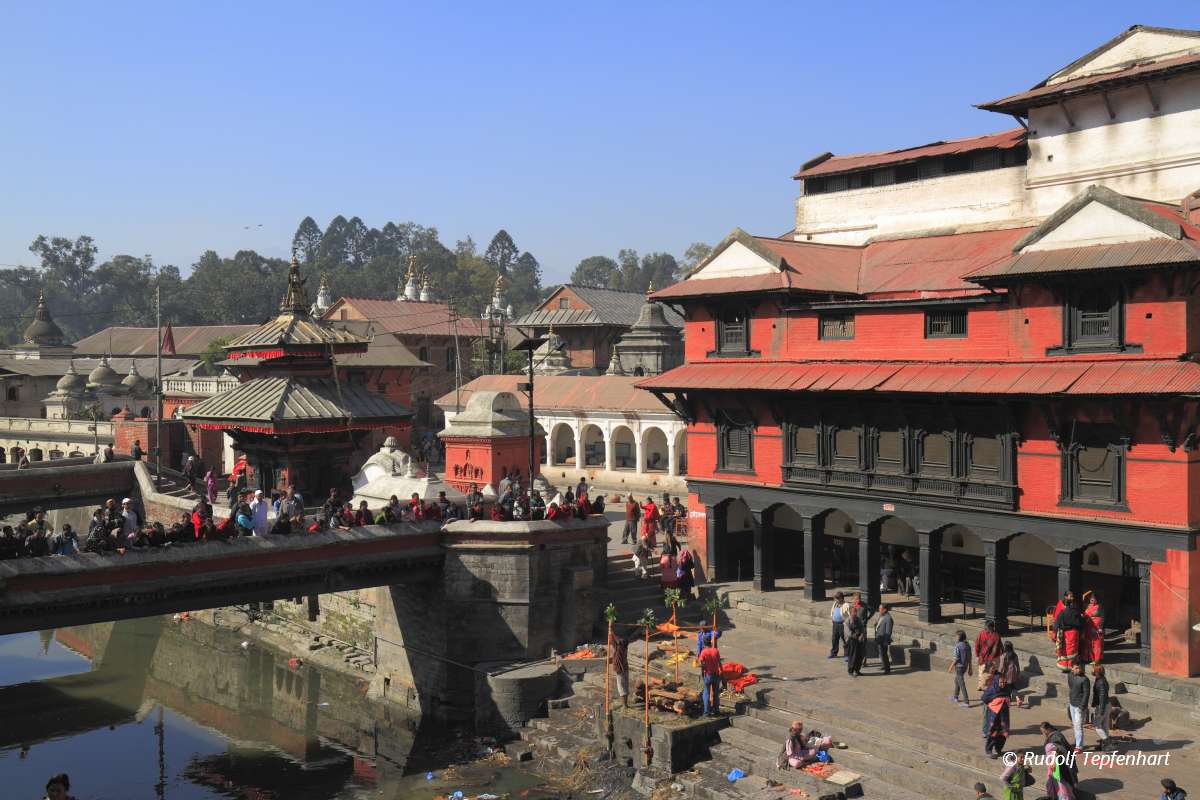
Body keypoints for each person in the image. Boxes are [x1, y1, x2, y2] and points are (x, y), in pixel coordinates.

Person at [1039, 721, 1077, 798]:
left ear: (1048, 729)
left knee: (1063, 783)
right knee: (1058, 782)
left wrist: (1053, 760)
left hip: (1061, 764)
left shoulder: (1056, 736)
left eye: (1044, 731)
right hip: (1056, 764)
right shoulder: (1053, 735)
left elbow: (1059, 749)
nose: (1044, 733)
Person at [982, 671, 1012, 758]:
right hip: (994, 715)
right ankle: (989, 750)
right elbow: (984, 698)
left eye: (1004, 682)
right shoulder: (992, 689)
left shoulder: (1007, 688)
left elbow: (1009, 696)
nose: (1003, 684)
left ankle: (999, 749)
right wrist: (995, 703)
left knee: (1003, 733)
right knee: (993, 732)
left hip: (1004, 716)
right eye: (1001, 682)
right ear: (996, 681)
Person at [1053, 591, 1082, 672]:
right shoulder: (1075, 611)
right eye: (1071, 596)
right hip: (1074, 633)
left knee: (1065, 650)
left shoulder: (1062, 613)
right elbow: (1079, 622)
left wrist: (1054, 633)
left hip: (1065, 634)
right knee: (1072, 650)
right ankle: (1072, 666)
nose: (1072, 598)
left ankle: (1065, 667)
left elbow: (1057, 622)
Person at [1066, 662, 1090, 752]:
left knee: (1078, 726)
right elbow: (1071, 687)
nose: (1078, 670)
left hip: (1079, 707)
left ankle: (1079, 747)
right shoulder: (1070, 676)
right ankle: (1077, 742)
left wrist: (1082, 706)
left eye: (1079, 668)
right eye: (1076, 668)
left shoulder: (1084, 679)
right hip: (1072, 704)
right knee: (1075, 725)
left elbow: (1086, 694)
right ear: (1072, 668)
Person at [1090, 663, 1112, 752]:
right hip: (1107, 704)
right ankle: (1104, 746)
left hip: (1102, 706)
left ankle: (1107, 742)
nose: (1091, 670)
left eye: (1093, 669)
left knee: (1097, 725)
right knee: (1105, 726)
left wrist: (1101, 711)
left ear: (1097, 672)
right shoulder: (1100, 679)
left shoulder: (1101, 682)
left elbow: (1102, 697)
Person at [698, 636, 722, 717]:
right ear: (710, 642)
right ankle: (717, 710)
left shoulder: (704, 652)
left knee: (706, 693)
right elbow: (719, 663)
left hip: (708, 675)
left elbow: (702, 664)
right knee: (716, 693)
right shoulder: (716, 650)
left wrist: (702, 673)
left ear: (704, 643)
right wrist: (721, 672)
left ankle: (706, 712)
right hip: (716, 675)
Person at [949, 629, 972, 707]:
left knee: (961, 683)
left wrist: (950, 667)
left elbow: (956, 658)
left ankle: (966, 702)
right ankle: (955, 696)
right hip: (965, 667)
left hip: (959, 667)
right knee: (957, 680)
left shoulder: (957, 646)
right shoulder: (967, 645)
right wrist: (970, 668)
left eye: (956, 636)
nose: (955, 637)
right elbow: (970, 658)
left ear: (959, 637)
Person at [1082, 592, 1104, 665]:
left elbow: (1103, 618)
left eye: (1094, 599)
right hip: (1088, 628)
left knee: (1097, 644)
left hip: (1096, 629)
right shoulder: (1087, 606)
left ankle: (1096, 660)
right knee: (1088, 643)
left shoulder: (1099, 607)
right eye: (1091, 599)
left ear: (1097, 600)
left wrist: (1100, 627)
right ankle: (1088, 658)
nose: (1092, 600)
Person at [999, 641, 1023, 707]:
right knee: (1012, 686)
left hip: (1006, 674)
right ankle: (1018, 698)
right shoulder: (1014, 655)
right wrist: (1018, 672)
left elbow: (1001, 667)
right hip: (1013, 673)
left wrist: (999, 674)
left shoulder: (1003, 656)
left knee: (1007, 688)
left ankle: (1008, 701)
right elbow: (1017, 665)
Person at [845, 605, 866, 677]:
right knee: (853, 656)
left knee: (859, 656)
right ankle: (851, 670)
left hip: (859, 640)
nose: (855, 613)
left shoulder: (858, 619)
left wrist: (862, 635)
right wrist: (856, 637)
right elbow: (848, 633)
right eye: (854, 612)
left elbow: (862, 628)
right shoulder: (847, 621)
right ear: (850, 612)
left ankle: (857, 670)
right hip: (852, 641)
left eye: (856, 611)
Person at [609, 635, 629, 707]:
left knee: (621, 687)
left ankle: (624, 705)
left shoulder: (619, 649)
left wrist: (611, 632)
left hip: (620, 670)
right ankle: (625, 704)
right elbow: (616, 641)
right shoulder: (624, 648)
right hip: (625, 668)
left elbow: (613, 640)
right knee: (625, 686)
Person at [874, 603, 894, 674]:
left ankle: (887, 669)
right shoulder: (881, 616)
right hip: (879, 638)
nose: (879, 610)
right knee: (881, 653)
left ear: (885, 610)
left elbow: (888, 631)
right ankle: (884, 665)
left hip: (883, 640)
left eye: (880, 609)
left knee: (884, 654)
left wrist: (886, 641)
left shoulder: (888, 618)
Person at [828, 591, 849, 659]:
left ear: (841, 598)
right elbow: (832, 611)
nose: (835, 600)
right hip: (835, 624)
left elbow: (849, 615)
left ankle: (846, 654)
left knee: (844, 640)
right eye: (835, 599)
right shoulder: (835, 604)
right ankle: (834, 652)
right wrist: (832, 617)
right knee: (834, 639)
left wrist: (846, 622)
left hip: (842, 624)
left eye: (837, 598)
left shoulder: (846, 605)